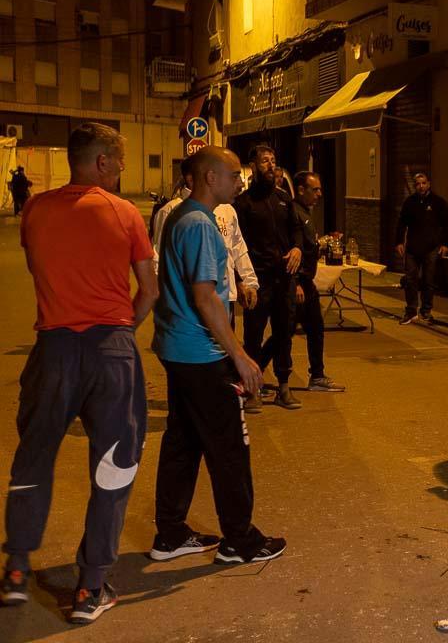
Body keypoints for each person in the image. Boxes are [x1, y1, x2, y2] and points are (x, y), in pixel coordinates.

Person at [2, 123, 157, 624]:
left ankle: (18, 569)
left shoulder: (35, 210)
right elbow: (149, 291)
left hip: (53, 349)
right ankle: (90, 588)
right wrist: (119, 331)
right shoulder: (126, 213)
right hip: (111, 350)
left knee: (33, 457)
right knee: (113, 466)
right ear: (104, 162)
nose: (124, 172)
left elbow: (40, 271)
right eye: (121, 162)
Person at [152, 145, 286, 567]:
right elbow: (206, 298)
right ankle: (240, 541)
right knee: (229, 447)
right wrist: (241, 356)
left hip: (179, 349)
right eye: (233, 174)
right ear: (210, 178)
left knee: (184, 442)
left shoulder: (182, 216)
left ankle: (171, 533)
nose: (240, 181)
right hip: (202, 354)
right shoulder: (199, 225)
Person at [152, 160, 259, 336]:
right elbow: (158, 257)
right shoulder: (171, 211)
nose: (240, 184)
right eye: (233, 177)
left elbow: (237, 248)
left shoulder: (227, 210)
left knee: (224, 349)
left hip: (225, 298)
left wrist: (248, 281)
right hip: (190, 305)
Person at [234, 145, 303, 410]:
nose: (271, 165)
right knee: (253, 334)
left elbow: (296, 230)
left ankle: (283, 388)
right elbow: (237, 246)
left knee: (284, 332)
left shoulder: (284, 198)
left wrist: (297, 248)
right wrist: (242, 281)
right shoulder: (243, 203)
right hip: (258, 281)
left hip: (284, 279)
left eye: (273, 161)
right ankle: (253, 390)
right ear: (253, 165)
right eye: (265, 161)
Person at [291, 172, 344, 391]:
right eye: (315, 189)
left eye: (320, 189)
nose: (320, 194)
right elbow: (291, 250)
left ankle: (317, 375)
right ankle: (252, 372)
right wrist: (296, 283)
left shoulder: (304, 213)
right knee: (284, 334)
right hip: (300, 284)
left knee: (315, 328)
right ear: (301, 190)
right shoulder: (293, 213)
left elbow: (307, 246)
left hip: (306, 282)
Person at [394, 172, 448, 324]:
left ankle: (426, 310)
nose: (421, 186)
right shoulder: (409, 202)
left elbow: (446, 224)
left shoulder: (438, 202)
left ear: (429, 184)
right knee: (410, 279)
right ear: (415, 186)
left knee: (428, 280)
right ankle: (411, 310)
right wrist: (399, 242)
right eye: (418, 184)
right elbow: (402, 223)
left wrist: (445, 244)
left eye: (423, 183)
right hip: (412, 248)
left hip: (431, 248)